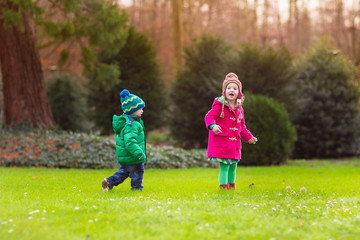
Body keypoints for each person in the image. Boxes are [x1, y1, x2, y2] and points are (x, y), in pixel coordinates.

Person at [204, 73, 257, 190]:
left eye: (234, 88)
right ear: (224, 91)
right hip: (222, 143)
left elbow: (242, 126)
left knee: (233, 167)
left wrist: (249, 137)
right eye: (229, 88)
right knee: (224, 167)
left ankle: (231, 189)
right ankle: (223, 189)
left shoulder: (239, 108)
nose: (231, 90)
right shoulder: (220, 105)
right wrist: (213, 126)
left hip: (234, 145)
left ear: (239, 92)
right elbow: (209, 116)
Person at [102, 89, 147, 191]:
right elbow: (130, 141)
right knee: (137, 173)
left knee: (122, 173)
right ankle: (136, 188)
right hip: (133, 157)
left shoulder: (126, 122)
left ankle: (109, 182)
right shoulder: (132, 124)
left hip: (126, 157)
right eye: (140, 108)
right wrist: (138, 153)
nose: (142, 111)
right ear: (132, 110)